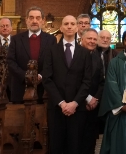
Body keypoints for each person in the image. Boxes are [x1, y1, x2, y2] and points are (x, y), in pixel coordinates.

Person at [41, 15, 93, 153]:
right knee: (56, 146)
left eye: (72, 24)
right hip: (57, 108)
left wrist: (74, 103)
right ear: (61, 27)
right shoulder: (51, 51)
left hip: (77, 108)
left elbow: (87, 81)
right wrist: (62, 103)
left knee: (76, 146)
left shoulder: (84, 53)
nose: (69, 26)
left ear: (77, 28)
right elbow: (47, 78)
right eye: (66, 24)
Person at [7, 7, 57, 103]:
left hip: (43, 90)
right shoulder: (16, 39)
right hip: (20, 89)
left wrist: (41, 76)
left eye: (38, 18)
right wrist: (26, 76)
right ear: (26, 20)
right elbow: (10, 61)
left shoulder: (51, 40)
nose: (34, 21)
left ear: (43, 21)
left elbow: (53, 62)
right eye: (31, 18)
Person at [79, 28, 104, 154]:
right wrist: (87, 98)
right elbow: (74, 81)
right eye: (89, 38)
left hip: (93, 107)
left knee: (90, 142)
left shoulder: (97, 57)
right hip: (78, 105)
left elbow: (101, 81)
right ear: (82, 39)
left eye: (95, 39)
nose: (92, 41)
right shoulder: (75, 55)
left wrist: (95, 99)